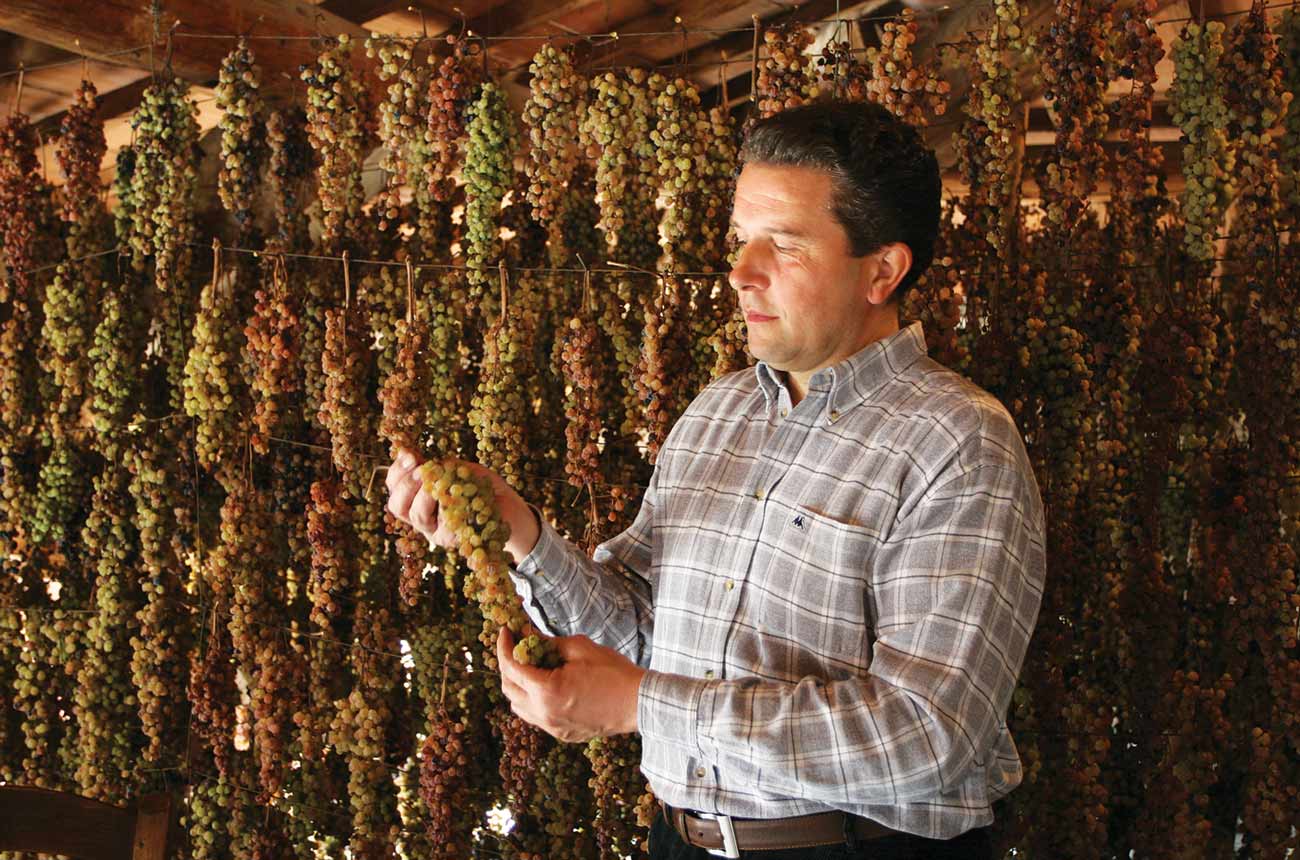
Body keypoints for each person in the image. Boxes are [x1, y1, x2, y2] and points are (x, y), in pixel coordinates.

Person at [386, 100, 1046, 859]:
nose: (739, 272)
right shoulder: (718, 413)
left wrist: (642, 705)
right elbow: (643, 630)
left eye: (784, 246)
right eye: (740, 240)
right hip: (680, 841)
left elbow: (929, 731)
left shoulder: (957, 442)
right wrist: (519, 533)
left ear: (883, 271)